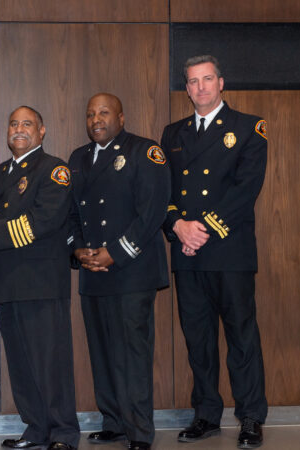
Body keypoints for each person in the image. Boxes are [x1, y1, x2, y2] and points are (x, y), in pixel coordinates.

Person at [160, 55, 268, 449]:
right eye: (193, 81)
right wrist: (177, 226)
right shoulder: (172, 134)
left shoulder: (248, 127)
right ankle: (206, 415)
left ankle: (251, 417)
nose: (201, 87)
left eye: (207, 79)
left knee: (241, 337)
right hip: (188, 253)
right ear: (186, 88)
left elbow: (246, 189)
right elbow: (164, 193)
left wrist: (201, 229)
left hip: (229, 250)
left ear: (221, 83)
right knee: (198, 340)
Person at [0, 106, 79, 450]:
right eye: (14, 124)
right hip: (7, 282)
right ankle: (36, 430)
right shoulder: (0, 173)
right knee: (20, 364)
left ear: (42, 131)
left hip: (41, 281)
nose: (19, 130)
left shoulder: (55, 169)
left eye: (27, 124)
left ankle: (63, 433)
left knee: (50, 362)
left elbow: (44, 220)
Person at [67, 93, 170, 450]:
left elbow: (153, 212)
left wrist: (116, 253)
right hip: (93, 270)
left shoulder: (146, 151)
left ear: (122, 118)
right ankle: (113, 421)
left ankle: (139, 431)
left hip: (131, 270)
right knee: (102, 351)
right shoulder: (78, 159)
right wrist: (78, 250)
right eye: (90, 113)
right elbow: (72, 214)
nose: (96, 119)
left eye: (104, 113)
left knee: (133, 353)